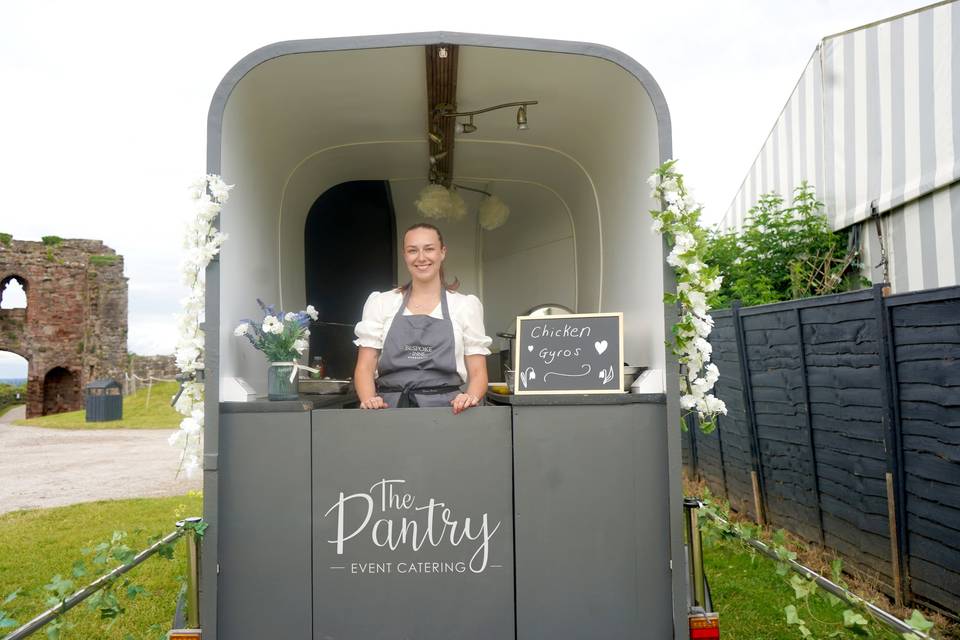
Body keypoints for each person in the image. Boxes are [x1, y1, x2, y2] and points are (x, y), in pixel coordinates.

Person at [353, 222, 491, 414]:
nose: (421, 257)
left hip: (449, 411)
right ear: (404, 255)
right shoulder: (381, 303)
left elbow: (478, 373)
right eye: (412, 250)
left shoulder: (465, 306)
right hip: (387, 410)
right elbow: (364, 368)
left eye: (429, 249)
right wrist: (370, 401)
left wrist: (470, 396)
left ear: (442, 252)